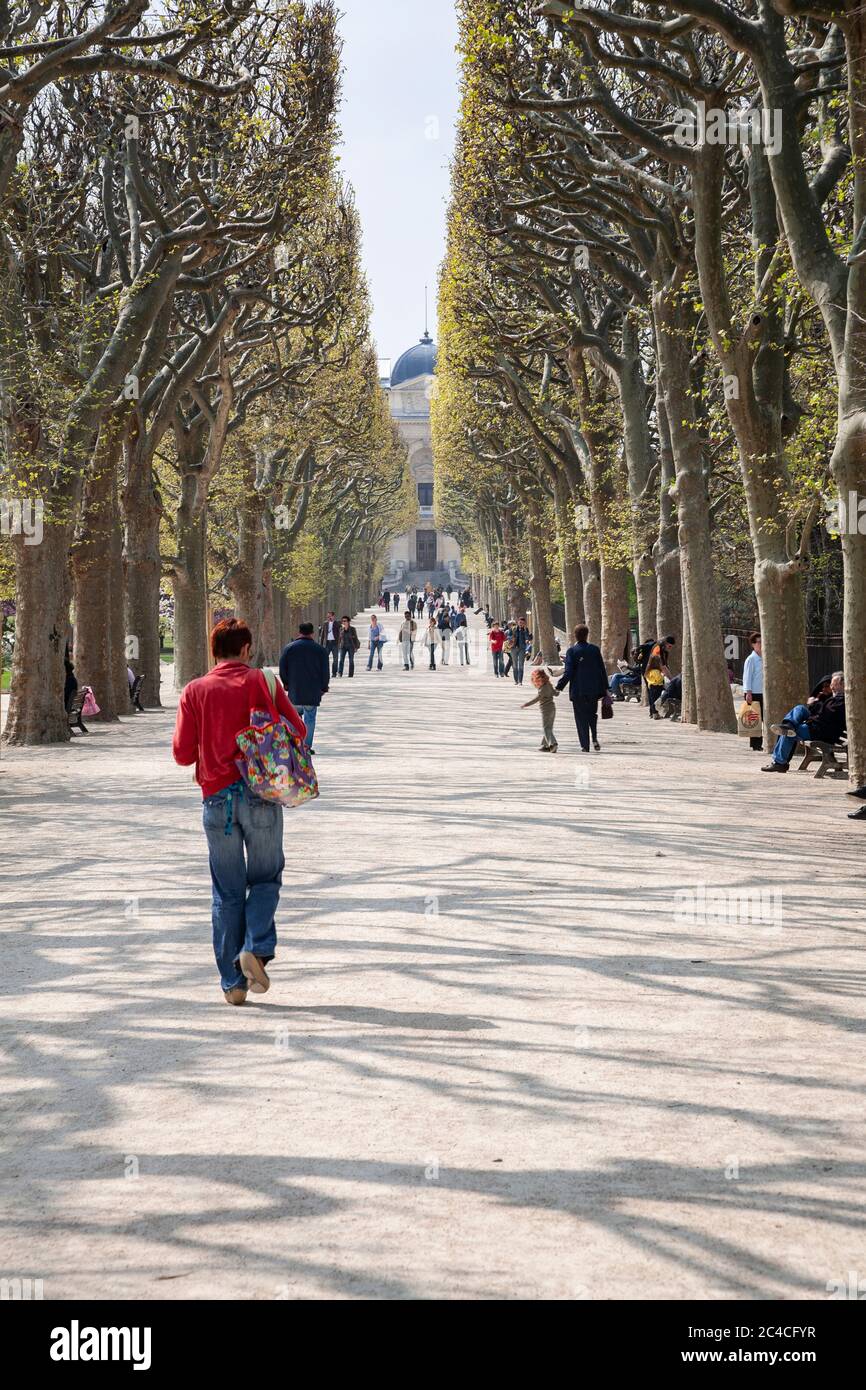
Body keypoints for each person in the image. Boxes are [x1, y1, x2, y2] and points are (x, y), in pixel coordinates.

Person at [172, 618, 306, 1006]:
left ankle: (232, 982)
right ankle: (256, 945)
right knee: (265, 879)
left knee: (226, 893)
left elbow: (182, 755)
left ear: (213, 650)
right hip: (261, 793)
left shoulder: (195, 690)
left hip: (216, 800)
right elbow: (296, 730)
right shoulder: (262, 682)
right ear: (246, 649)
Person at [762, 672, 845, 772]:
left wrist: (816, 704)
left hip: (820, 732)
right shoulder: (834, 699)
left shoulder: (841, 701)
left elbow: (826, 716)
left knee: (788, 732)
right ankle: (789, 724)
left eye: (834, 684)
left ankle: (780, 763)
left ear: (843, 685)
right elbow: (821, 714)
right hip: (818, 726)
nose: (832, 687)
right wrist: (814, 704)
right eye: (831, 685)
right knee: (800, 709)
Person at [555, 624, 609, 752]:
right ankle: (594, 738)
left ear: (575, 635)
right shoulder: (595, 650)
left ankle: (585, 745)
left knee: (580, 718)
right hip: (594, 690)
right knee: (592, 715)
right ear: (587, 634)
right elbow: (602, 670)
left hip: (578, 690)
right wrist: (606, 687)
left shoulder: (572, 651)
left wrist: (559, 687)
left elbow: (568, 673)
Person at [279, 621, 330, 755]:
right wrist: (324, 687)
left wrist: (286, 684)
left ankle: (297, 744)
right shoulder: (320, 650)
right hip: (312, 691)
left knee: (295, 718)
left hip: (295, 690)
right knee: (310, 719)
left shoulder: (289, 648)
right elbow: (325, 671)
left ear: (299, 632)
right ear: (312, 633)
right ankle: (307, 746)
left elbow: (282, 668)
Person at [522, 668, 558, 752]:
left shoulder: (542, 689)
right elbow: (555, 693)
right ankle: (546, 745)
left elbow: (536, 699)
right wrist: (558, 689)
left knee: (546, 728)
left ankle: (553, 743)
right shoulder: (549, 685)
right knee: (549, 727)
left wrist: (526, 704)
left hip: (546, 710)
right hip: (552, 708)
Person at [742, 631, 764, 751]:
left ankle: (761, 741)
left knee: (763, 717)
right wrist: (748, 692)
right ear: (753, 644)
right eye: (759, 642)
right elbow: (747, 677)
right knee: (755, 719)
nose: (761, 644)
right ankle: (756, 744)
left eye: (762, 642)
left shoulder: (764, 657)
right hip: (754, 692)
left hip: (763, 692)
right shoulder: (751, 659)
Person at [510, 616, 532, 686]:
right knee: (515, 665)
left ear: (524, 623)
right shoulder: (513, 629)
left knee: (521, 665)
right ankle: (516, 680)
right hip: (513, 648)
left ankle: (520, 681)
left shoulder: (525, 629)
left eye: (522, 623)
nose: (521, 624)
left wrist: (525, 631)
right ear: (517, 622)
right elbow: (507, 636)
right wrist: (511, 638)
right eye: (520, 622)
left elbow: (528, 637)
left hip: (522, 649)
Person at [318, 610, 340, 678]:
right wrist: (321, 645)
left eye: (330, 616)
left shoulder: (337, 623)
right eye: (328, 616)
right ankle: (325, 673)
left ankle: (334, 673)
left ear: (333, 616)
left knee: (335, 659)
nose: (329, 617)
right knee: (324, 659)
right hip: (327, 643)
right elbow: (322, 635)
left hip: (334, 643)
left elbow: (340, 632)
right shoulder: (325, 623)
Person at [645, 651, 665, 719]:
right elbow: (659, 679)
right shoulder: (656, 671)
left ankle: (651, 713)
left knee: (651, 700)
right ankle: (655, 714)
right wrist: (663, 675)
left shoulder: (649, 671)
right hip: (657, 686)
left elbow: (647, 678)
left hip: (651, 686)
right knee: (656, 701)